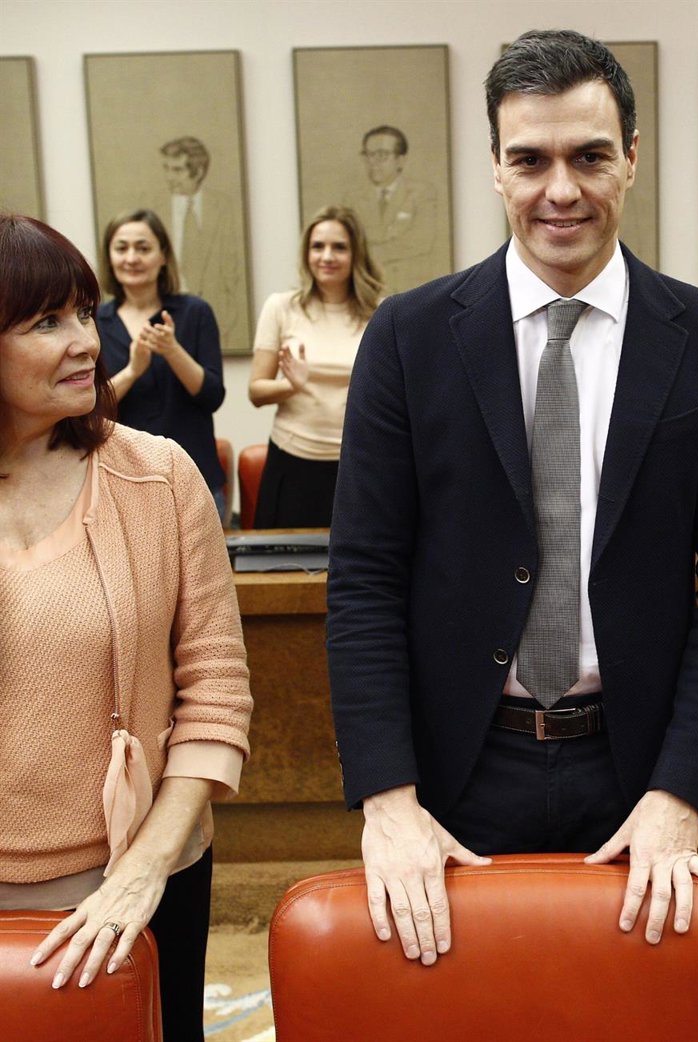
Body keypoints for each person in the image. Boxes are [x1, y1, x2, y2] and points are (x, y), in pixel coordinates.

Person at [326, 29, 698, 968]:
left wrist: (681, 792)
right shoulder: (408, 340)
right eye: (529, 159)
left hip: (636, 772)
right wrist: (387, 797)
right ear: (495, 166)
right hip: (456, 768)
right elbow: (364, 578)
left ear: (633, 160)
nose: (560, 190)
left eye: (589, 157)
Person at [0, 214, 252, 1040]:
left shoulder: (161, 476)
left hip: (146, 880)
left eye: (84, 313)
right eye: (46, 323)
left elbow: (215, 692)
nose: (85, 342)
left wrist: (145, 870)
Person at [248, 205, 382, 528]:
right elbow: (256, 391)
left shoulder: (381, 311)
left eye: (339, 247)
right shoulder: (281, 307)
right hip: (293, 463)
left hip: (359, 463)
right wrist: (290, 385)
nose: (327, 256)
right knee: (284, 574)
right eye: (317, 246)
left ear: (356, 254)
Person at [97, 209, 227, 517]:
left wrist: (171, 350)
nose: (132, 258)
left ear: (163, 256)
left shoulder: (195, 312)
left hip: (195, 478)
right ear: (110, 258)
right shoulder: (94, 320)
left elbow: (212, 396)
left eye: (143, 248)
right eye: (122, 248)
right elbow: (91, 405)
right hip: (122, 481)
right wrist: (132, 372)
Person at [158, 136, 247, 348]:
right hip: (164, 318)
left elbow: (233, 264)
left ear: (197, 172)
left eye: (177, 170)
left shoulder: (222, 206)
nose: (170, 177)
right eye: (167, 168)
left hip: (218, 317)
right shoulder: (154, 207)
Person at [344, 125, 440, 295]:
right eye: (368, 155)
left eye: (381, 155)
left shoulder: (422, 193)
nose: (373, 163)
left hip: (412, 291)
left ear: (400, 160)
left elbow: (420, 241)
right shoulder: (352, 199)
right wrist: (390, 234)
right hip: (367, 293)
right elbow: (349, 245)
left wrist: (368, 248)